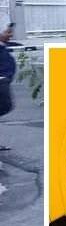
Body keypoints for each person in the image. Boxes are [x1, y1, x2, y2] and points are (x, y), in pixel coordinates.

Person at [0, 22, 15, 150]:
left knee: (5, 106)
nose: (10, 35)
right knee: (4, 106)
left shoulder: (2, 46)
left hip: (4, 81)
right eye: (7, 32)